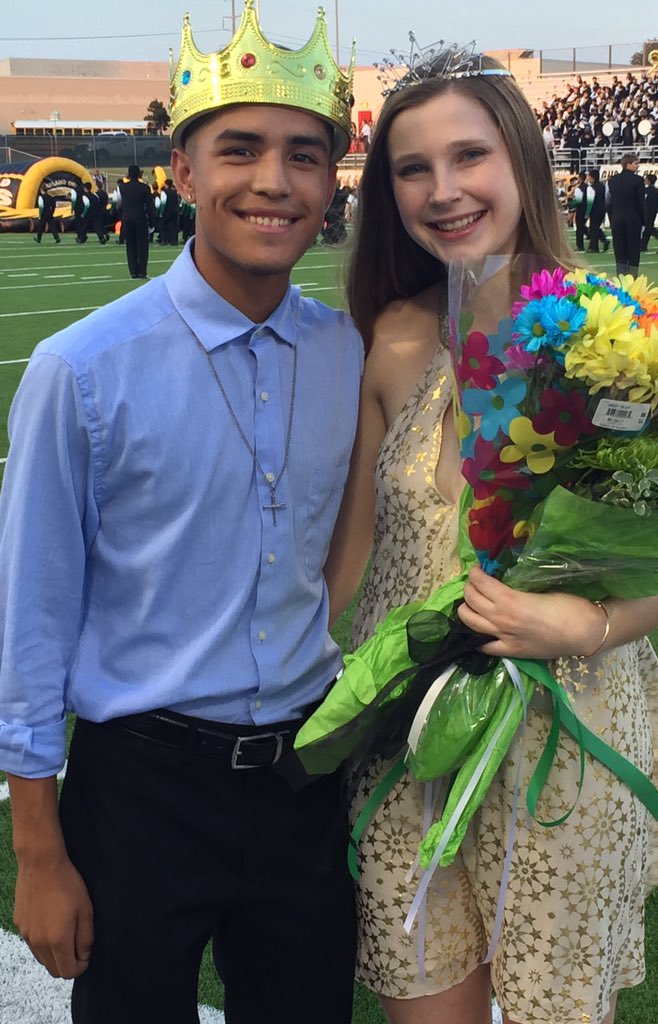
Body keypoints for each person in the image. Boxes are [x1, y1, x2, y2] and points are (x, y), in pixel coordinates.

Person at [326, 49, 658, 1024]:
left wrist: (570, 626)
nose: (444, 190)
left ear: (522, 162)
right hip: (409, 734)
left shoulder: (615, 332)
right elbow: (354, 555)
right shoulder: (393, 334)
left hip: (565, 736)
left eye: (469, 156)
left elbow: (656, 577)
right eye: (413, 168)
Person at [0, 5, 361, 1024]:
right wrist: (38, 850)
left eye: (303, 153)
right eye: (237, 150)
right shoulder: (82, 370)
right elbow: (30, 614)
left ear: (329, 176)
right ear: (185, 170)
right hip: (141, 787)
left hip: (304, 776)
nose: (273, 181)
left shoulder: (348, 357)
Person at [606, 151, 644, 275]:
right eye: (636, 163)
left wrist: (612, 218)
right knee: (633, 250)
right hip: (633, 218)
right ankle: (632, 276)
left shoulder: (612, 180)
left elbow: (609, 203)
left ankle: (620, 276)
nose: (638, 166)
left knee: (620, 249)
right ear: (628, 164)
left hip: (617, 218)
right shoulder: (638, 180)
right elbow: (640, 202)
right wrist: (643, 220)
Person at [115, 165, 154, 278]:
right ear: (139, 174)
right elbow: (150, 206)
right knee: (142, 245)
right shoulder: (145, 188)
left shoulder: (122, 187)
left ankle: (133, 271)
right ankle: (142, 271)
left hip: (127, 218)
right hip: (140, 217)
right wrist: (152, 222)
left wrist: (124, 213)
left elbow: (119, 204)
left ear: (128, 174)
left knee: (130, 245)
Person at [586, 167, 609, 252]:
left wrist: (587, 212)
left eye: (588, 176)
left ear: (592, 177)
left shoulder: (591, 188)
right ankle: (603, 239)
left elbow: (590, 202)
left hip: (594, 210)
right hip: (602, 209)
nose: (588, 178)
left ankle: (594, 247)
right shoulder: (602, 186)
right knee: (595, 227)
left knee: (593, 229)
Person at [640, 171, 658, 251]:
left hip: (648, 211)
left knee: (649, 229)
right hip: (652, 211)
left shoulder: (648, 190)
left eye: (646, 179)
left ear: (649, 181)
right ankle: (643, 245)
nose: (645, 180)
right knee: (648, 229)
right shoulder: (655, 190)